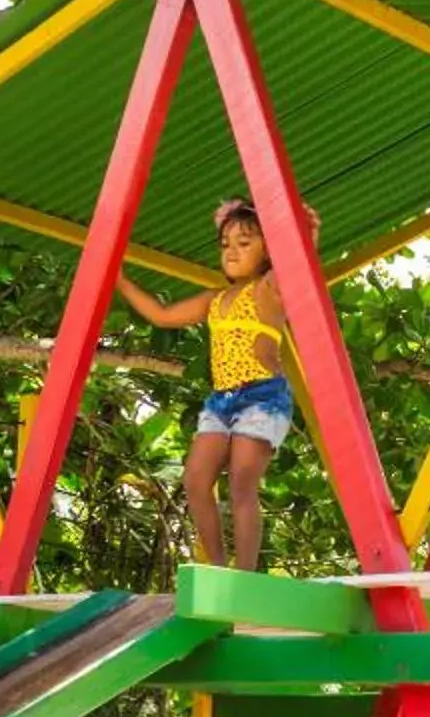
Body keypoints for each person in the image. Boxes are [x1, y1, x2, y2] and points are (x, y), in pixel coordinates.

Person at [115, 197, 307, 571]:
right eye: (226, 244)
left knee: (241, 484)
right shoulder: (214, 299)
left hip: (262, 396)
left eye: (245, 242)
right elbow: (163, 315)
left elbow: (293, 264)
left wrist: (304, 236)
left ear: (268, 250)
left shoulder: (269, 289)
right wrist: (120, 282)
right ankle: (218, 568)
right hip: (222, 401)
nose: (232, 252)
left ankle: (245, 575)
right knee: (195, 479)